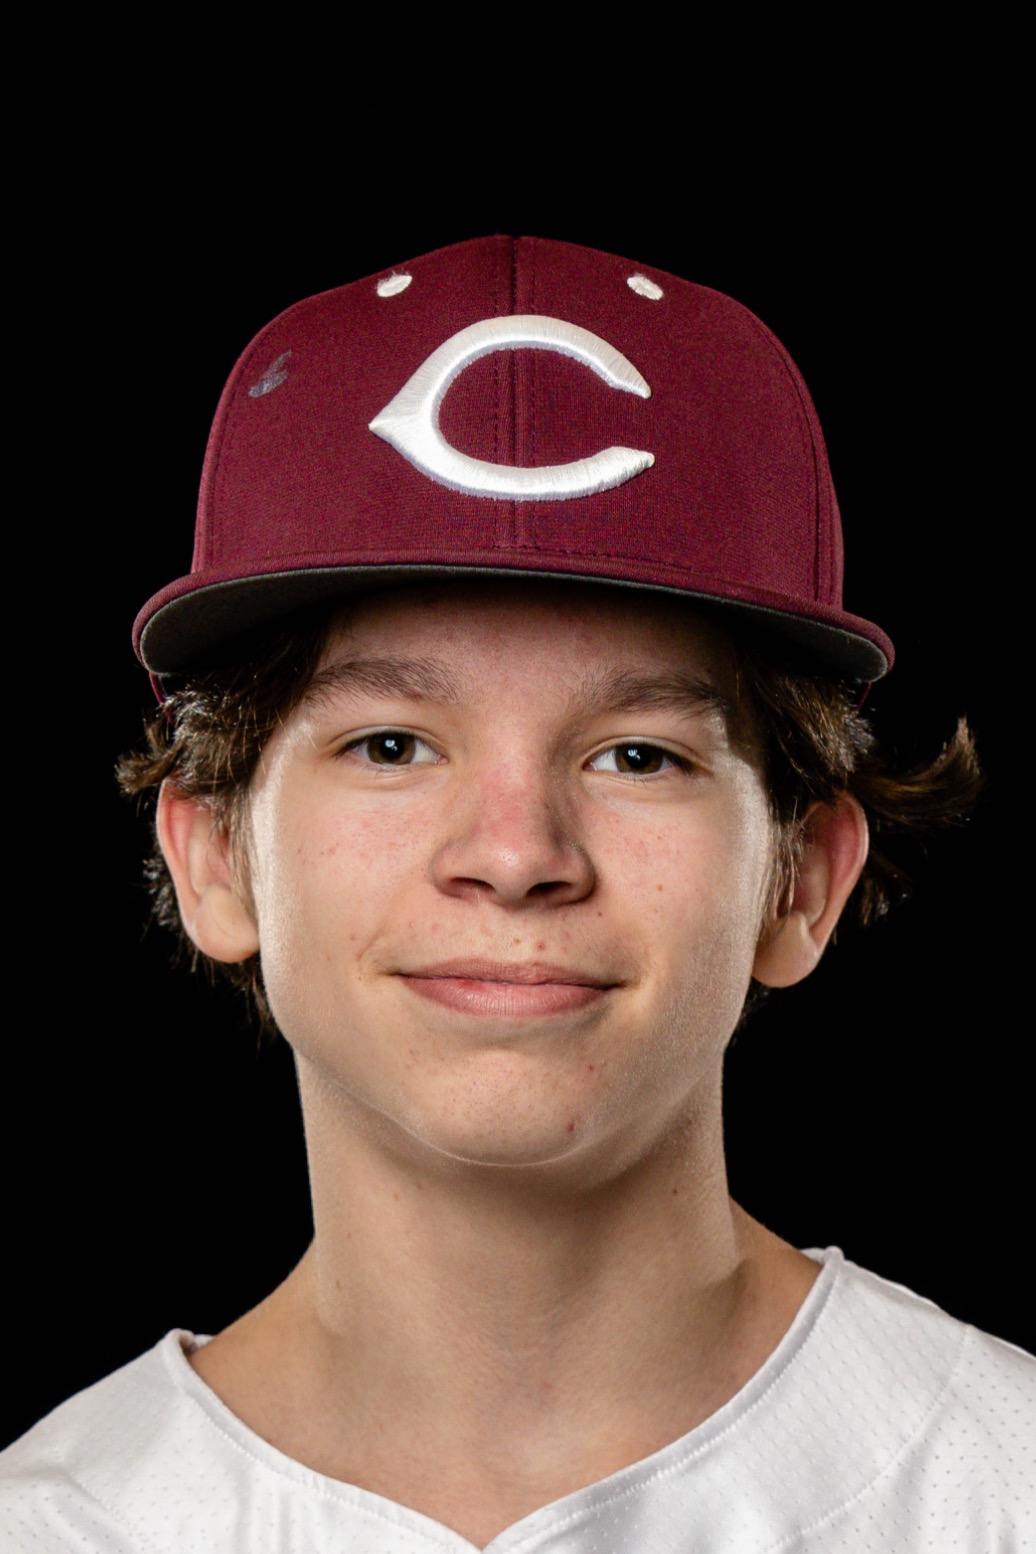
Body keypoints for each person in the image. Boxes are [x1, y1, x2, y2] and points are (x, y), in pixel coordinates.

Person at [3, 235, 1032, 1551]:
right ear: (216, 857)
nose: (514, 852)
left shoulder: (1004, 1486)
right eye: (390, 744)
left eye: (637, 755)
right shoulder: (54, 1524)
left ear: (803, 878)